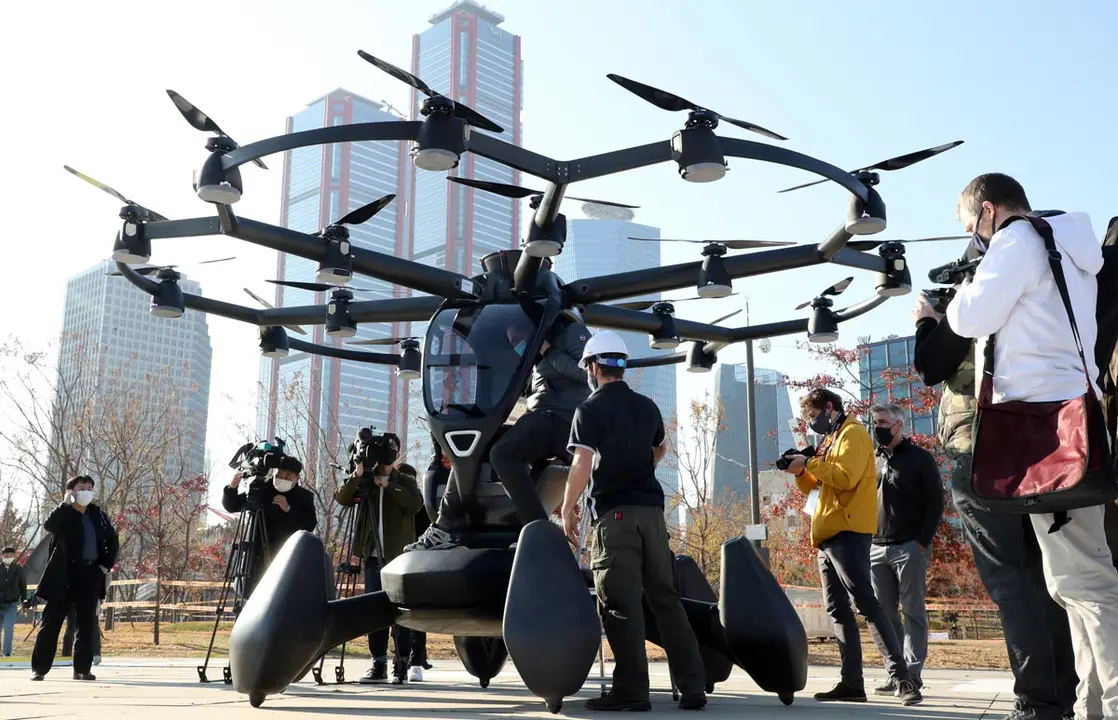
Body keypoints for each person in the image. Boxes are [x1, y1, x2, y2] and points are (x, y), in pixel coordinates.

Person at [945, 173, 1118, 720]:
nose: (976, 239)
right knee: (1072, 578)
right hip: (1075, 422)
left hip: (1044, 432)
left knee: (1085, 580)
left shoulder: (1017, 239)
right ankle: (1091, 703)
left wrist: (948, 302)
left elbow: (970, 318)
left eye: (973, 228)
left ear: (989, 210)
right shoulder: (1071, 246)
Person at [913, 283, 1078, 720]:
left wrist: (927, 321)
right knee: (1047, 582)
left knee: (1012, 586)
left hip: (980, 455)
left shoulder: (972, 310)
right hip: (1038, 454)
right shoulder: (1040, 305)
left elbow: (930, 366)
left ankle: (1038, 703)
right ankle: (1062, 696)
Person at [559, 330, 707, 712]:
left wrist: (566, 507)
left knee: (619, 602)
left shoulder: (588, 410)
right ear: (622, 365)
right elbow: (660, 446)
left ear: (593, 366)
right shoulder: (647, 407)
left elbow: (582, 462)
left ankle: (632, 690)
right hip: (653, 516)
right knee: (666, 600)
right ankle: (693, 687)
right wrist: (643, 464)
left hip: (616, 515)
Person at [779, 388, 922, 706]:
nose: (811, 422)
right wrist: (801, 470)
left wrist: (811, 462)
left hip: (848, 532)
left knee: (867, 605)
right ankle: (851, 683)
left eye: (813, 415)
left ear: (829, 408)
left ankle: (903, 679)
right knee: (838, 611)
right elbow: (816, 487)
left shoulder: (853, 434)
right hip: (828, 534)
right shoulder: (830, 440)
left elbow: (845, 478)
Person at [410, 311, 591, 551]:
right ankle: (446, 526)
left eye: (517, 337)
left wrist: (546, 349)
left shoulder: (572, 333)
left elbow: (588, 373)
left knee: (503, 454)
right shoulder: (531, 349)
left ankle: (536, 529)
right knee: (479, 442)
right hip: (539, 416)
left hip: (562, 418)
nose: (517, 344)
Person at [335, 432, 423, 685]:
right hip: (372, 556)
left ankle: (402, 662)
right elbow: (342, 499)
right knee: (375, 611)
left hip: (399, 557)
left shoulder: (405, 480)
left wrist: (389, 485)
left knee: (400, 612)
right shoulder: (364, 482)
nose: (382, 461)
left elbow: (415, 505)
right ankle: (378, 663)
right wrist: (358, 474)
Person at [868, 403, 944, 693]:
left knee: (912, 612)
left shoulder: (920, 459)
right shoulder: (872, 460)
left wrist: (921, 542)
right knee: (883, 615)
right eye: (875, 422)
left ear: (900, 425)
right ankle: (896, 672)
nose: (878, 427)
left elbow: (936, 502)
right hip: (875, 548)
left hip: (909, 546)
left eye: (884, 422)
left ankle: (912, 674)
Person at [31, 475, 119, 681]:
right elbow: (50, 525)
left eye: (90, 487)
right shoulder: (65, 512)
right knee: (51, 623)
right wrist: (65, 504)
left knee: (86, 624)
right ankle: (40, 668)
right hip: (63, 573)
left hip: (90, 574)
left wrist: (105, 564)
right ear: (72, 490)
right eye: (82, 487)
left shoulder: (97, 514)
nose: (87, 490)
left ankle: (82, 669)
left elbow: (112, 539)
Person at [221, 455, 316, 597]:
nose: (282, 478)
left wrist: (288, 509)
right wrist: (232, 488)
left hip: (284, 555)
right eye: (279, 474)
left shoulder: (304, 496)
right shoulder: (262, 488)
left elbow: (310, 524)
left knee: (279, 597)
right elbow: (232, 505)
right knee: (249, 594)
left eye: (287, 476)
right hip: (256, 553)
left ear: (297, 478)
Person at [1, 545, 27, 657]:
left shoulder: (18, 570)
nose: (8, 557)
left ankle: (6, 653)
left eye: (11, 555)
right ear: (2, 556)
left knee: (8, 628)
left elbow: (23, 586)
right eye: (6, 555)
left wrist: (24, 600)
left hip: (12, 603)